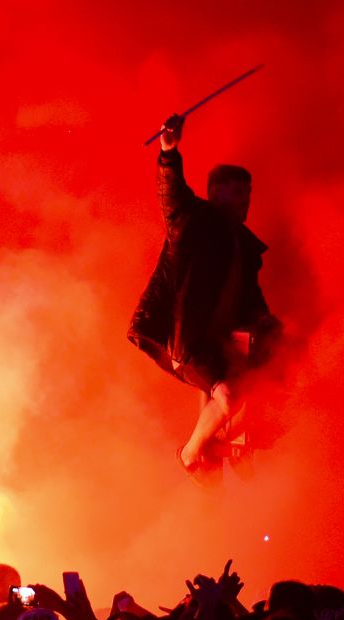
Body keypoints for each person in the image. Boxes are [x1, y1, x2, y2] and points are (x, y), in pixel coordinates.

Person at [128, 113, 281, 485]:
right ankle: (190, 455)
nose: (246, 200)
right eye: (238, 192)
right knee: (227, 397)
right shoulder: (192, 220)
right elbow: (171, 191)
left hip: (217, 343)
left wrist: (270, 323)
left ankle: (223, 448)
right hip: (187, 339)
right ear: (216, 193)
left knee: (250, 386)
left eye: (248, 193)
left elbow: (250, 297)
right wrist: (169, 150)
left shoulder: (243, 246)